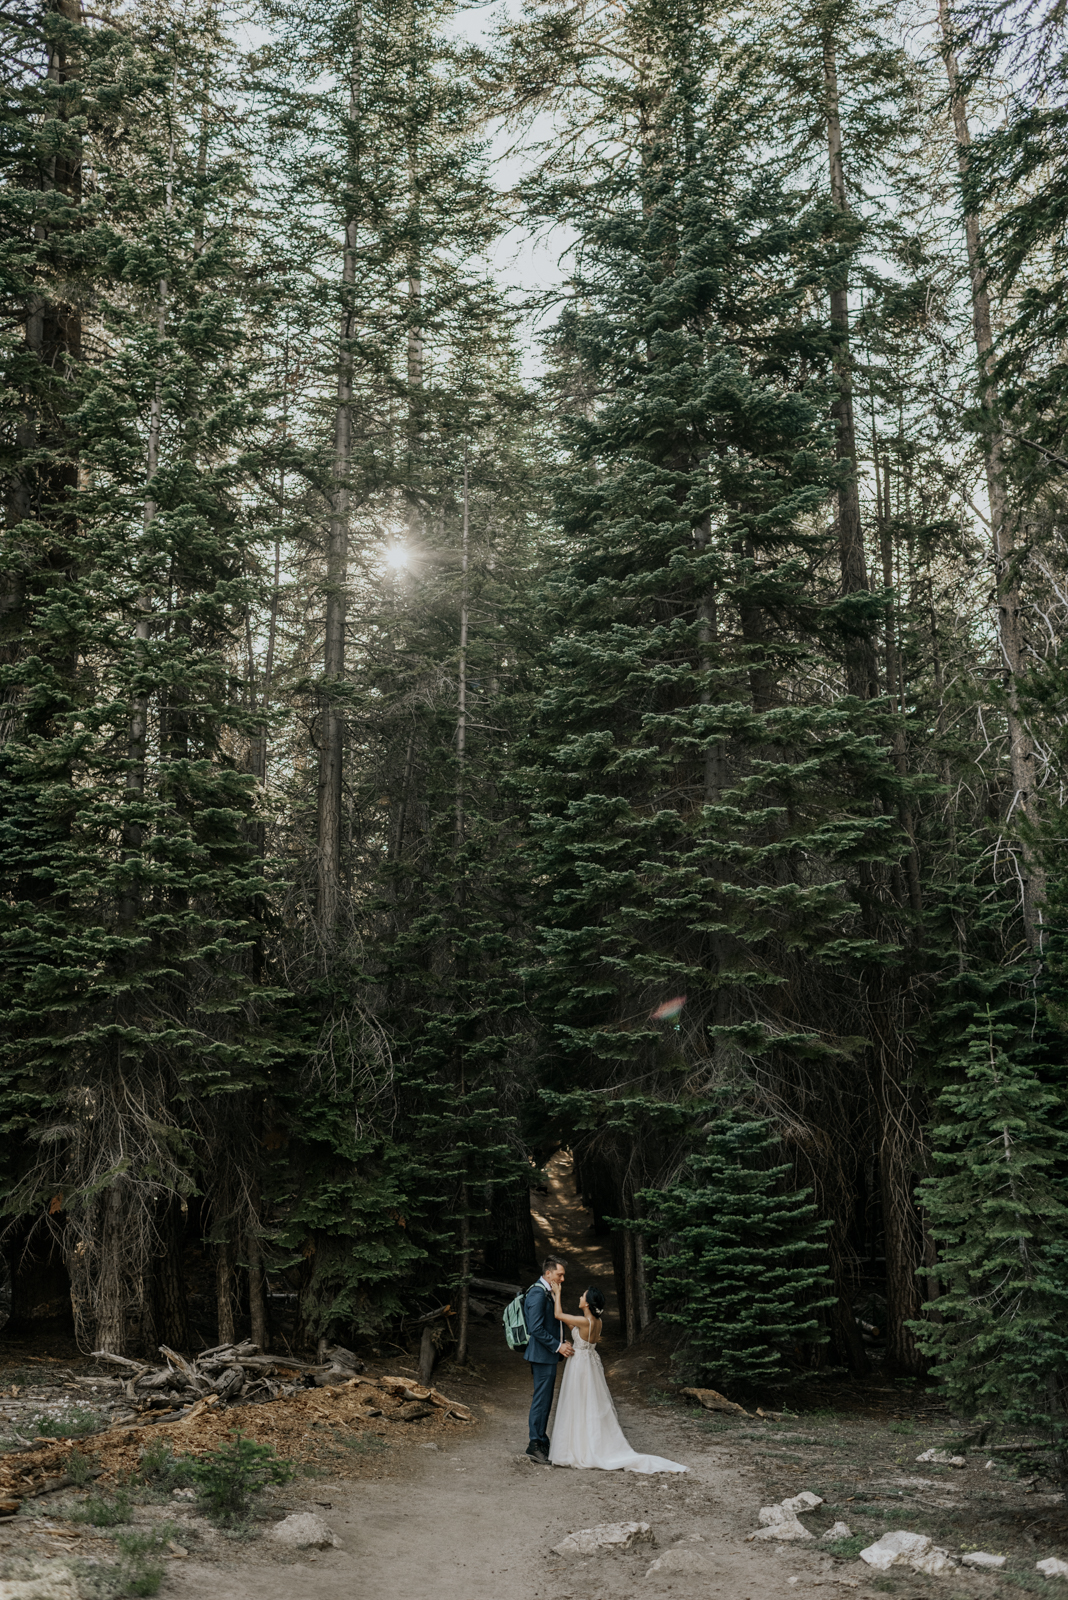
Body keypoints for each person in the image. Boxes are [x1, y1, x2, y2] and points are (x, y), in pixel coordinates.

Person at [548, 1280, 688, 1474]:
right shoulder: (596, 1322)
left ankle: (576, 1447)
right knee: (589, 1403)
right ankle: (585, 1443)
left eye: (582, 1296)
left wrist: (558, 1292)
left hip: (580, 1365)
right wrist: (556, 1297)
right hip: (590, 1364)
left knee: (577, 1402)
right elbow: (568, 1321)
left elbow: (558, 1315)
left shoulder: (585, 1321)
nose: (580, 1297)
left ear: (587, 1303)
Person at [523, 1255, 573, 1464]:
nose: (562, 1279)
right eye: (560, 1275)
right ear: (548, 1273)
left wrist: (563, 1340)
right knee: (541, 1401)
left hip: (547, 1356)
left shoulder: (547, 1292)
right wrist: (557, 1346)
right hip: (542, 1356)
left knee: (545, 1400)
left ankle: (542, 1440)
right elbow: (535, 1328)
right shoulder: (537, 1293)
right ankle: (534, 1444)